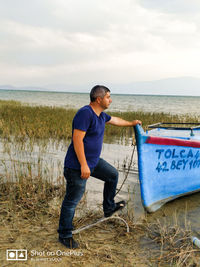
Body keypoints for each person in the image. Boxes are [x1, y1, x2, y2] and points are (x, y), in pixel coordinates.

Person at [58, 85, 141, 249]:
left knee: (112, 175)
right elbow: (77, 140)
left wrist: (132, 123)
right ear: (99, 99)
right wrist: (83, 165)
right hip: (77, 166)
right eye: (108, 97)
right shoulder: (85, 113)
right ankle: (64, 234)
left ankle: (109, 208)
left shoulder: (101, 115)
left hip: (93, 162)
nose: (110, 100)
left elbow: (115, 120)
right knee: (72, 200)